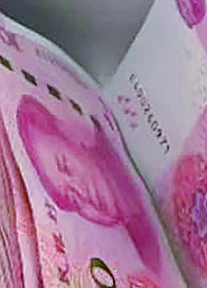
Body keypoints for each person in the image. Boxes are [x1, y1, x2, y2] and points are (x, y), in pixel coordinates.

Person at [15, 94, 163, 270]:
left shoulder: (127, 148)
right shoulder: (139, 246)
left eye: (65, 166)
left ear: (72, 136)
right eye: (69, 196)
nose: (80, 191)